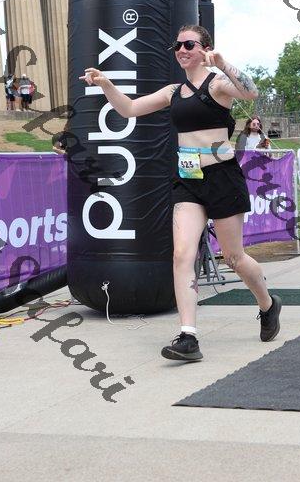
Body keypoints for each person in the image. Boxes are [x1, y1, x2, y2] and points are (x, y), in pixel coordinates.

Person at [80, 24, 281, 362]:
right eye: (177, 45)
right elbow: (128, 109)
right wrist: (106, 84)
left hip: (222, 177)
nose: (182, 50)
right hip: (188, 179)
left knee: (234, 258)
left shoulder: (217, 84)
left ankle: (268, 303)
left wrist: (223, 63)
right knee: (182, 255)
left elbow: (251, 93)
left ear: (205, 49)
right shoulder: (173, 91)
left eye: (189, 44)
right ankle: (188, 336)